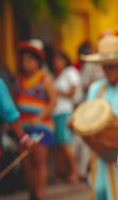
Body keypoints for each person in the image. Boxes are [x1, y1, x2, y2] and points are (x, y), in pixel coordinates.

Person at [80, 35, 118, 200]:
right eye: (105, 67)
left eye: (112, 66)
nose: (108, 70)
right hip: (100, 155)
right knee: (99, 191)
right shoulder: (95, 89)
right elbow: (87, 119)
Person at [15, 39, 57, 200]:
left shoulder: (44, 79)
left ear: (37, 62)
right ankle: (32, 193)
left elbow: (53, 101)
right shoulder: (19, 81)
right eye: (24, 60)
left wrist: (40, 117)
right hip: (23, 128)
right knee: (26, 162)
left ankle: (40, 195)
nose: (26, 64)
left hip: (42, 127)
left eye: (30, 60)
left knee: (39, 160)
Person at [51, 51, 80, 182]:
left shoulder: (70, 72)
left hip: (65, 112)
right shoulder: (56, 75)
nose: (56, 63)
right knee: (58, 145)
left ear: (64, 60)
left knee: (65, 144)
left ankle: (74, 173)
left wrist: (58, 92)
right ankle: (61, 173)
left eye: (58, 60)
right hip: (56, 113)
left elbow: (73, 92)